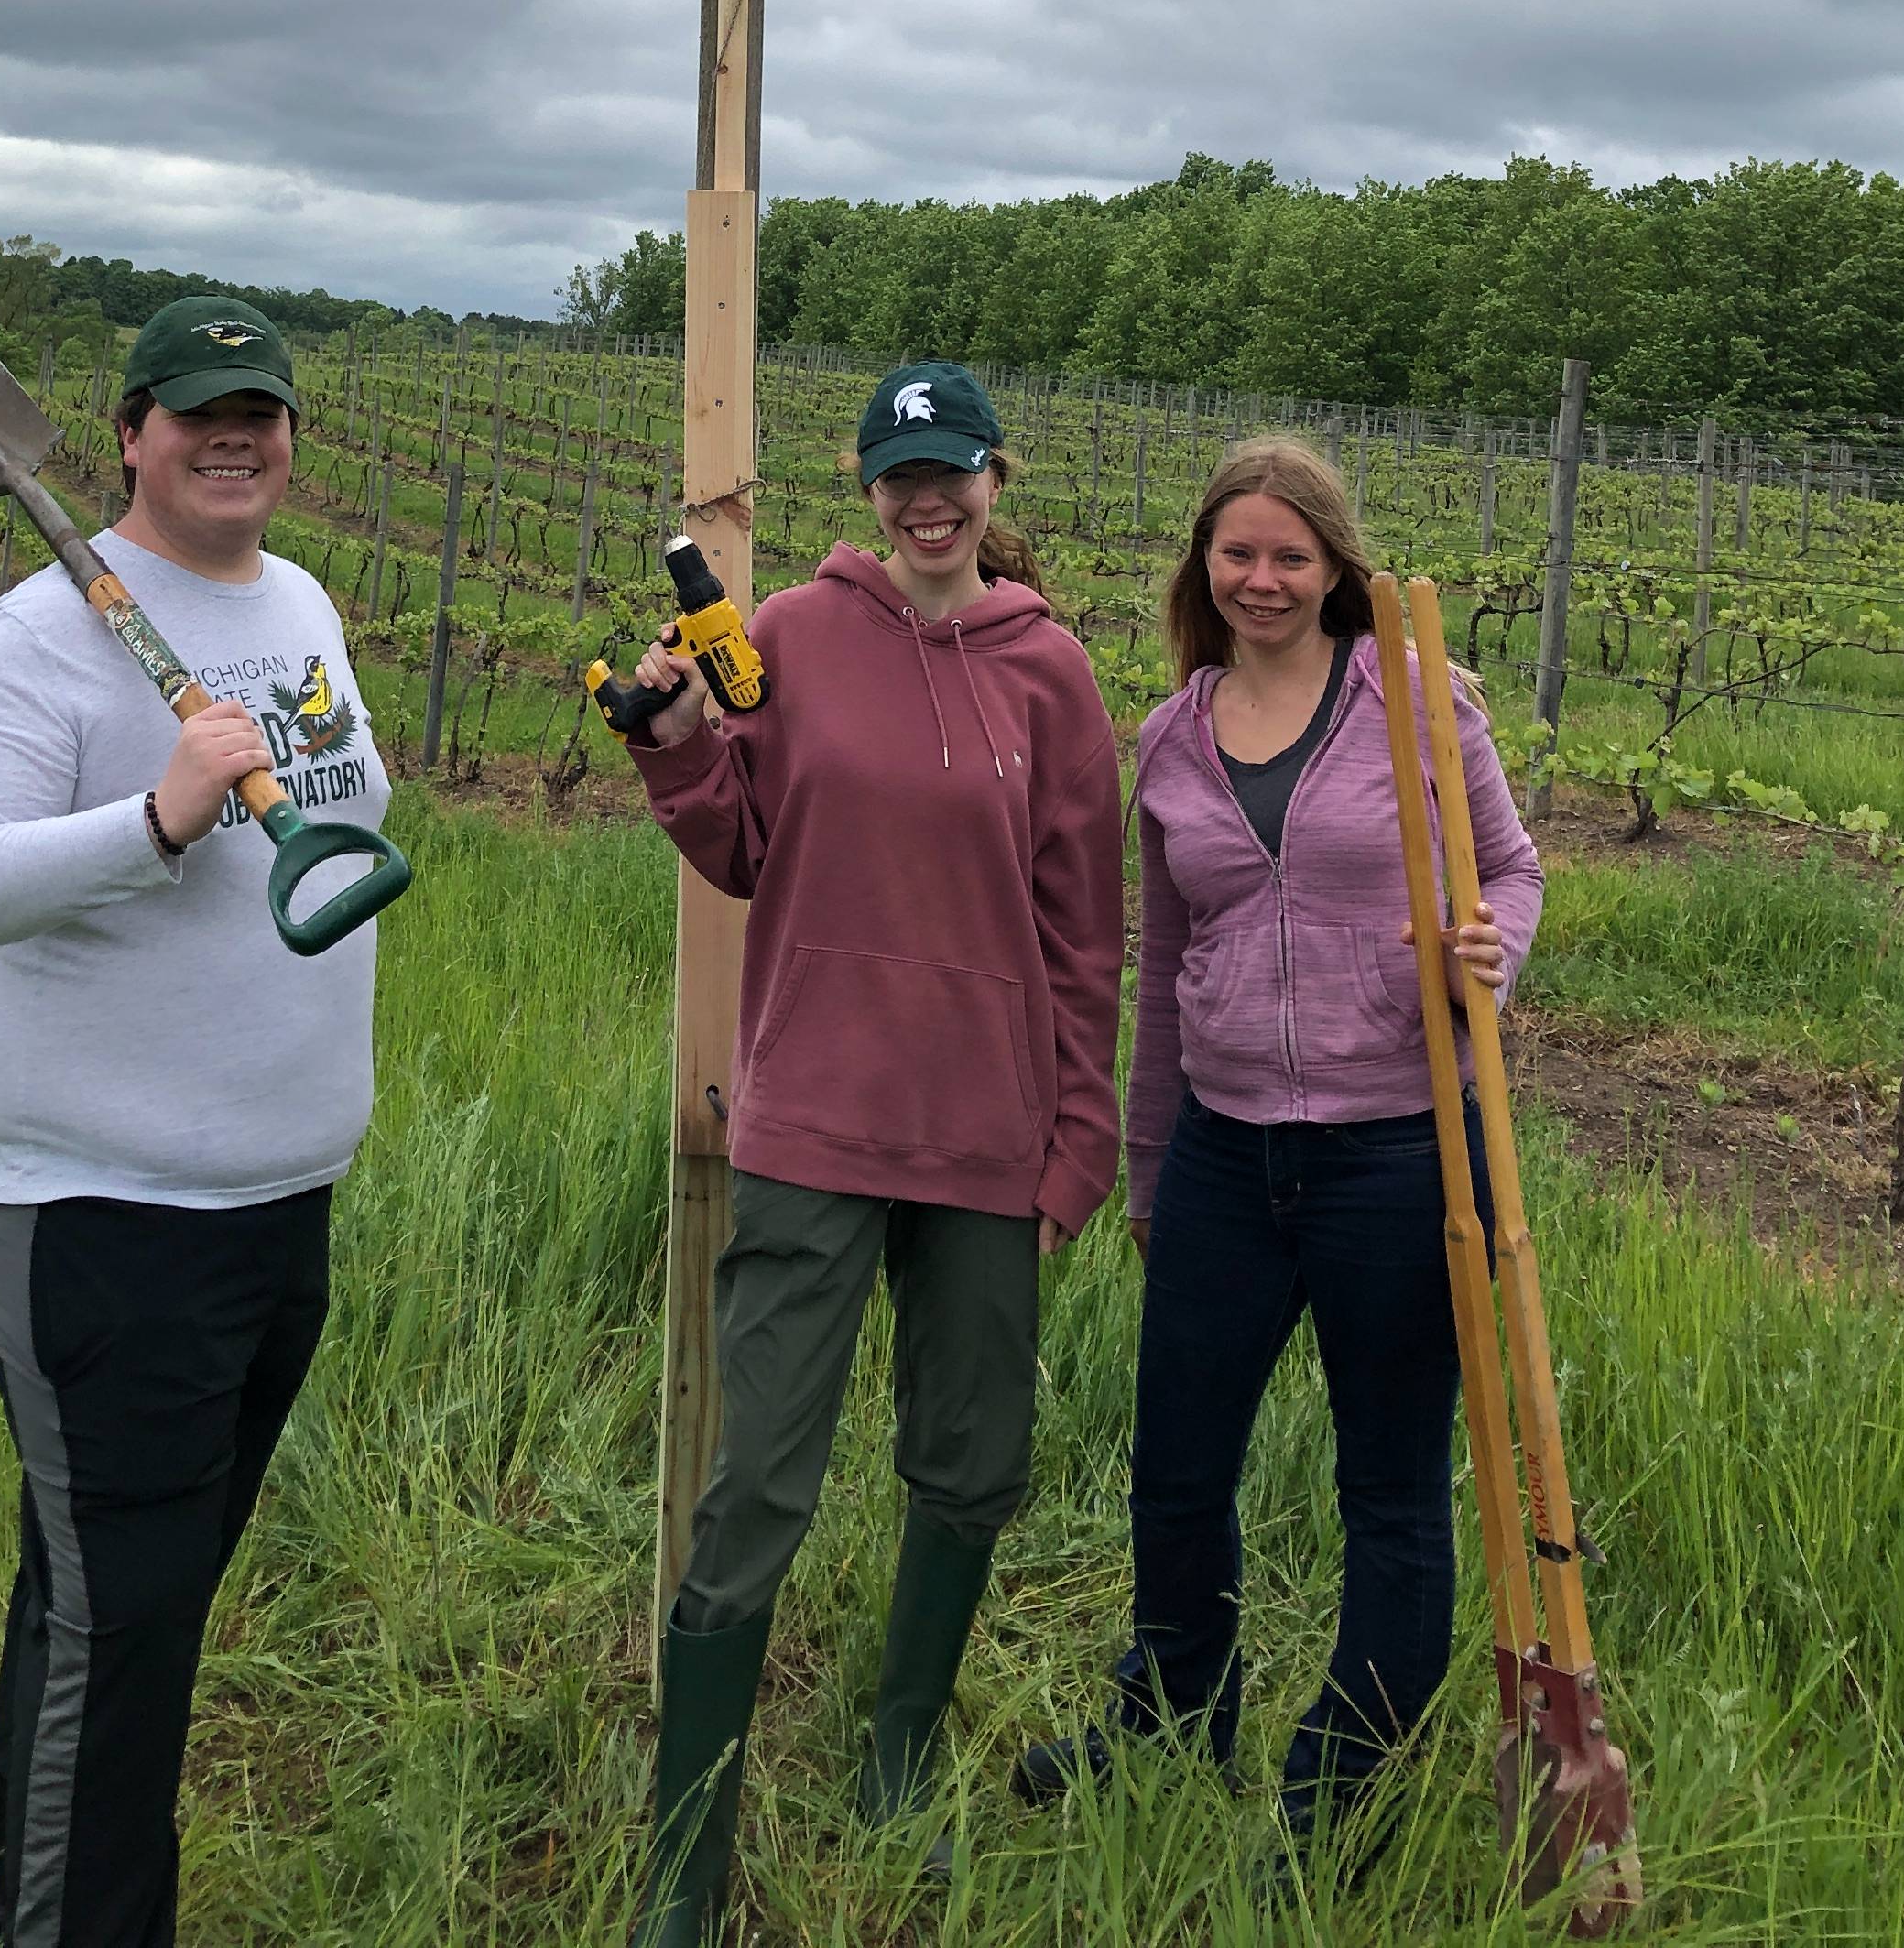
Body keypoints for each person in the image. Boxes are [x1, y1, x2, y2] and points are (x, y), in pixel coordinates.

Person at [0, 296, 392, 1948]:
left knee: (146, 1602)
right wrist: (156, 817)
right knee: (113, 1624)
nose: (232, 435)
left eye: (259, 407)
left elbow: (341, 804)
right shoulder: (35, 638)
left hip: (278, 1199)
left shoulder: (304, 601)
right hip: (102, 1214)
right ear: (127, 432)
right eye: (196, 411)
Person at [620, 359, 1126, 1945]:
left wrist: (1080, 1135)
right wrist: (675, 749)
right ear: (866, 483)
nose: (929, 500)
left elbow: (1084, 934)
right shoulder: (787, 638)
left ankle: (899, 1750)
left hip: (987, 1128)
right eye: (902, 474)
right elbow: (747, 846)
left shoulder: (1052, 675)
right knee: (758, 1475)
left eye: (955, 472)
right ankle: (685, 1854)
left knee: (973, 1459)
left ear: (997, 480)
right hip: (816, 1124)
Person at [1017, 434, 1542, 1867]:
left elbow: (1510, 868)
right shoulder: (1171, 738)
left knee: (1390, 1491)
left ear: (1335, 569)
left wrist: (1488, 961)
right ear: (1206, 566)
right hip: (1225, 1162)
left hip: (1398, 1153)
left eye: (1289, 556)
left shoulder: (1421, 706)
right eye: (1236, 553)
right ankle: (1168, 1719)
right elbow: (1164, 952)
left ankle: (1335, 1793)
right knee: (1177, 1470)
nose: (1260, 579)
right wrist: (1143, 1157)